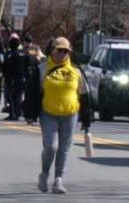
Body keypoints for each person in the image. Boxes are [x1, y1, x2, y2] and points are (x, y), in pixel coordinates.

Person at [23, 36, 92, 194]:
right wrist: (30, 114)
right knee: (51, 146)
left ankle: (58, 180)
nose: (62, 54)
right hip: (49, 113)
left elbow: (85, 95)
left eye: (65, 51)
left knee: (64, 148)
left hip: (70, 114)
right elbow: (32, 93)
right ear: (52, 50)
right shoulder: (42, 69)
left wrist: (87, 119)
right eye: (59, 50)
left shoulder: (76, 71)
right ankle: (44, 173)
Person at [2, 34, 26, 121]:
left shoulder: (10, 55)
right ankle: (18, 112)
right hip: (21, 78)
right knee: (18, 96)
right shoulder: (23, 54)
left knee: (11, 97)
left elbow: (5, 67)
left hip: (11, 79)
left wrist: (5, 75)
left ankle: (13, 113)